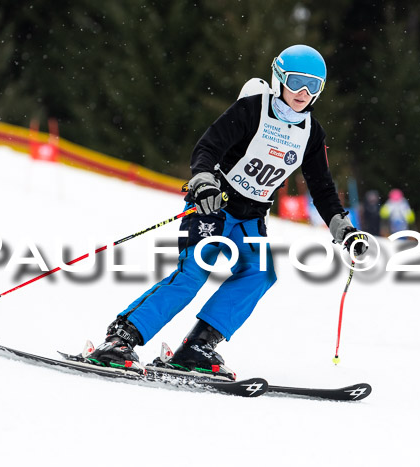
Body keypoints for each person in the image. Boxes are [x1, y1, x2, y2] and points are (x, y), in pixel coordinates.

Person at [86, 45, 368, 380]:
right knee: (194, 273)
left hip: (251, 217)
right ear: (279, 79)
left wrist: (344, 230)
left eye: (313, 86)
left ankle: (198, 347)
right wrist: (203, 183)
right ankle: (121, 339)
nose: (303, 93)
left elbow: (322, 188)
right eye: (295, 82)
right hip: (214, 206)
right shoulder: (252, 110)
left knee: (260, 274)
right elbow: (208, 147)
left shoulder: (311, 133)